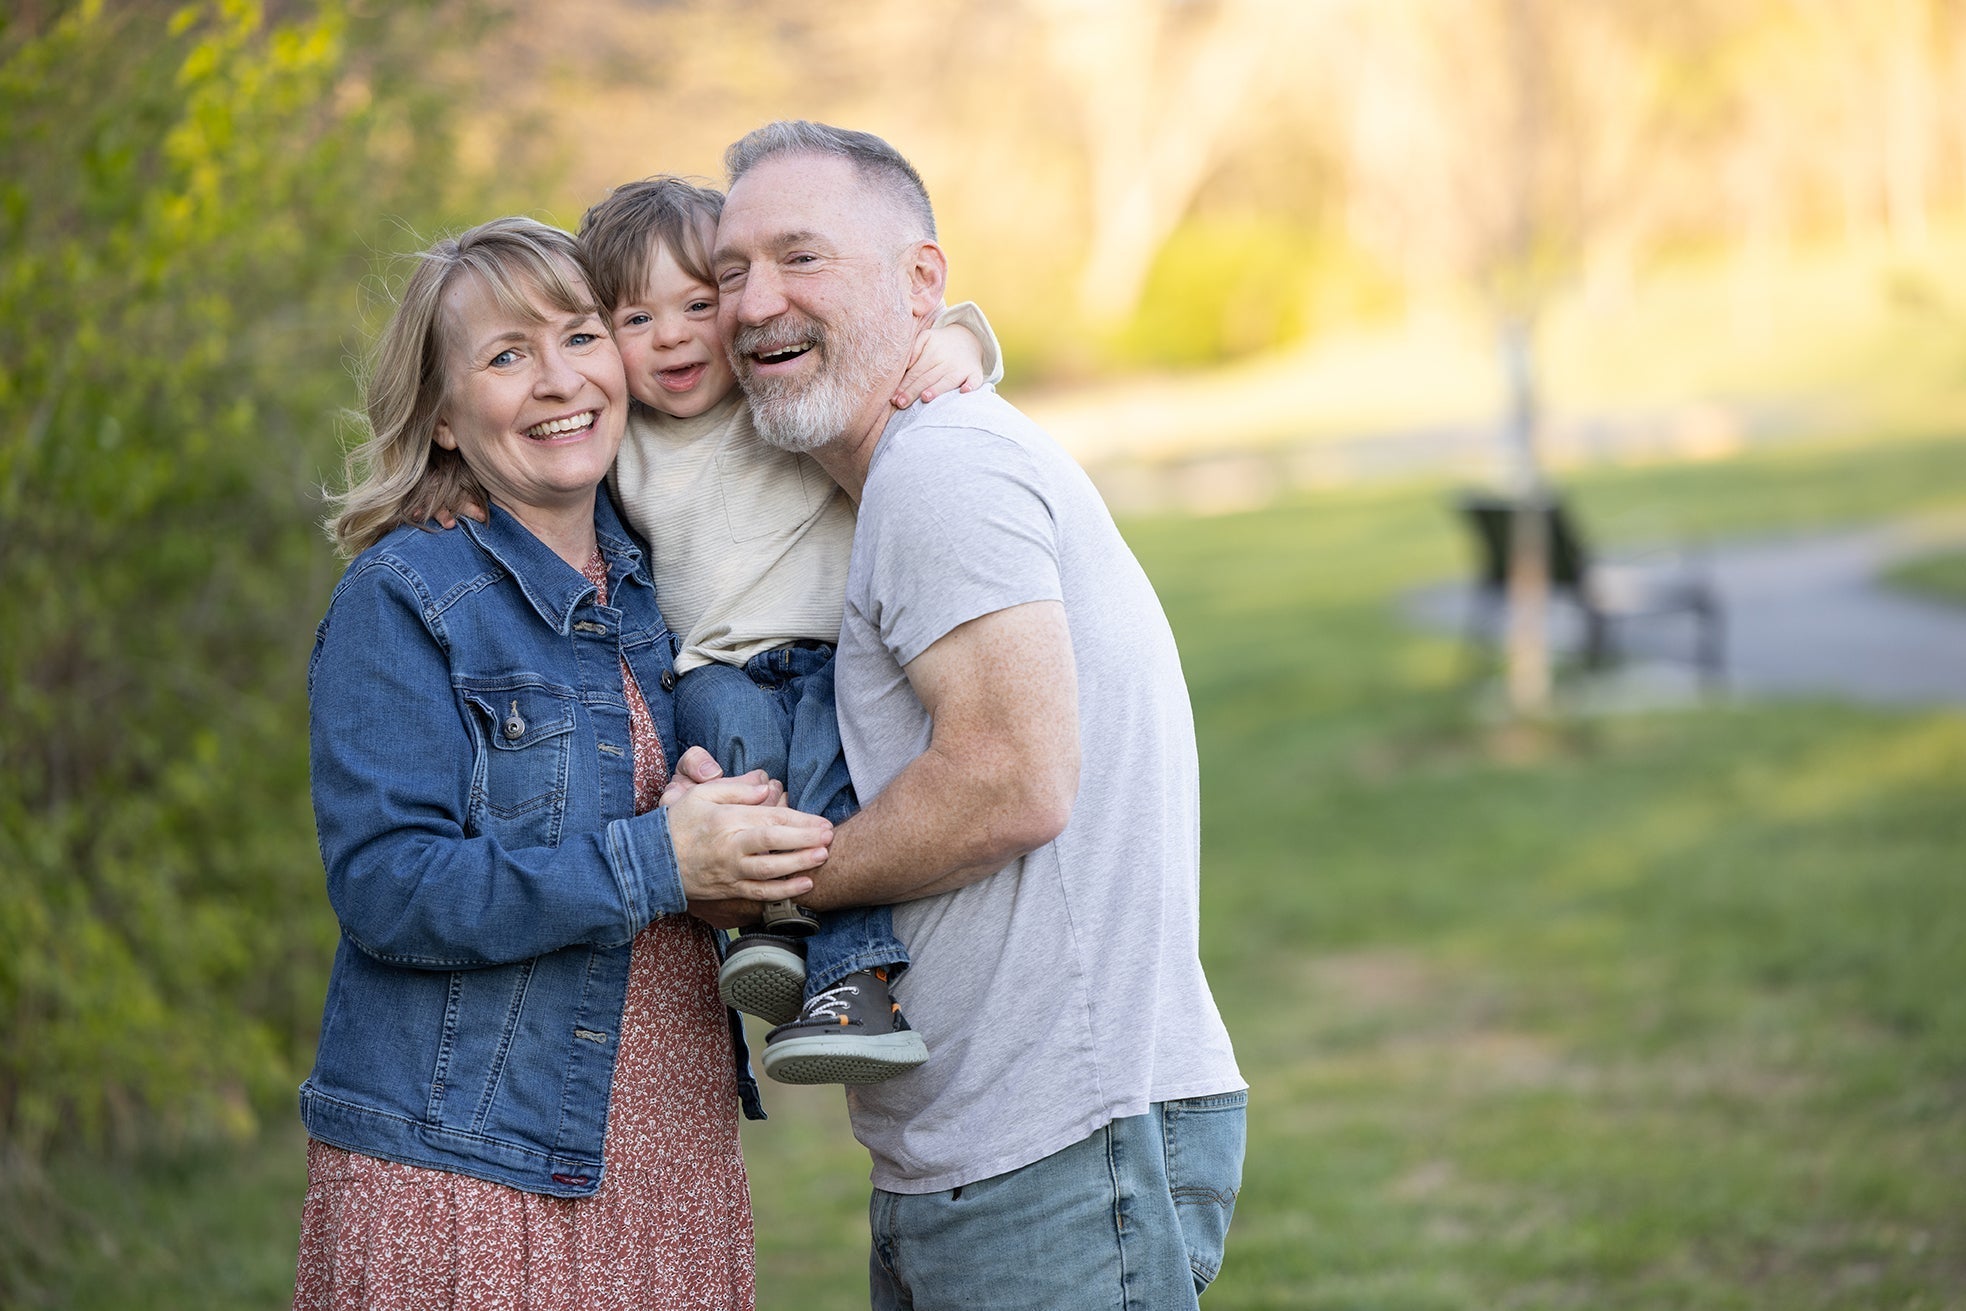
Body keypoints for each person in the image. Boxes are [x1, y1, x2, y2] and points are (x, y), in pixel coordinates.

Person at [712, 122, 1248, 1309]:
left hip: (1053, 1154)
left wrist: (763, 883)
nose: (754, 303)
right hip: (999, 1149)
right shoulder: (895, 474)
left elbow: (1011, 782)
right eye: (729, 272)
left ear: (921, 282)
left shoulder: (938, 469)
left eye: (800, 257)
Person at [294, 215, 831, 1310]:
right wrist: (660, 860)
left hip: (668, 1169)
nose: (558, 380)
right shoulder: (405, 596)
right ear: (443, 418)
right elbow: (388, 887)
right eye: (506, 355)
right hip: (472, 1177)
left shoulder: (655, 585)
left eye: (580, 337)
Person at [572, 175, 1000, 1085]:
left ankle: (858, 987)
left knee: (831, 797)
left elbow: (898, 342)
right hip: (715, 665)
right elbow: (544, 439)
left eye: (698, 305)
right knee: (736, 775)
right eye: (637, 319)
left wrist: (959, 340)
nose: (673, 336)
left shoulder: (774, 397)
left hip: (828, 659)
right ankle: (771, 933)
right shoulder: (620, 439)